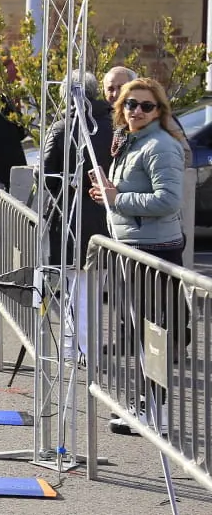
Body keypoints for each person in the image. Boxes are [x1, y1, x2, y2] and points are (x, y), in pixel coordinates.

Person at [89, 78, 189, 435]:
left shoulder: (160, 146)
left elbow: (168, 200)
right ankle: (148, 404)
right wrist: (107, 191)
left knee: (153, 335)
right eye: (131, 104)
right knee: (145, 333)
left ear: (159, 111)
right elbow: (128, 192)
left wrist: (117, 198)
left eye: (146, 106)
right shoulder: (130, 142)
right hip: (132, 245)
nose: (136, 111)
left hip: (153, 251)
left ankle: (156, 412)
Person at [41, 71, 113, 266]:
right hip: (109, 211)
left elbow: (46, 177)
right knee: (103, 278)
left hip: (68, 210)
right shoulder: (114, 126)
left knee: (73, 276)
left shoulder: (60, 128)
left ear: (66, 95)